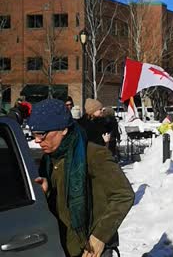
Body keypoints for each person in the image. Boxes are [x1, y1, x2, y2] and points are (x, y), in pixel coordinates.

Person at [27, 99, 134, 257]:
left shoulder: (93, 154)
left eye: (42, 134)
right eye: (34, 134)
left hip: (91, 249)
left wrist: (100, 237)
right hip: (62, 247)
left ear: (63, 129)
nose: (37, 140)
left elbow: (124, 195)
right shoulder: (49, 160)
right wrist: (47, 190)